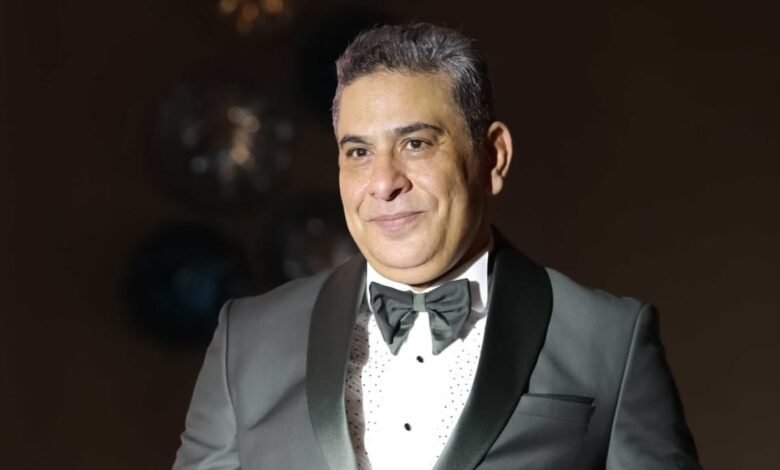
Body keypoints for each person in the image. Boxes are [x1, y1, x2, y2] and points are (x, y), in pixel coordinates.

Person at [173, 23, 701, 470]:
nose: (384, 182)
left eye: (416, 144)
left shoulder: (610, 342)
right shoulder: (247, 340)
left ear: (493, 157)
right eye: (359, 152)